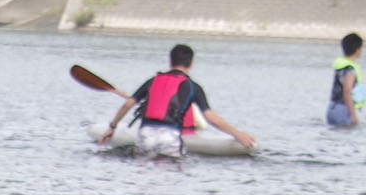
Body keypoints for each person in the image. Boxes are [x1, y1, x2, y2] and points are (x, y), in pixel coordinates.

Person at [96, 44, 257, 157]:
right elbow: (210, 117)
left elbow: (127, 104)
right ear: (191, 64)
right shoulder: (192, 86)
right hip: (169, 137)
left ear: (170, 61)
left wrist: (112, 127)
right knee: (175, 169)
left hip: (145, 135)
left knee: (145, 167)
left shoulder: (153, 81)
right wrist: (238, 134)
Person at [328, 32, 366, 129]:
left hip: (332, 108)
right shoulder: (350, 68)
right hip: (343, 109)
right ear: (357, 50)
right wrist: (353, 114)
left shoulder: (340, 65)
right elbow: (347, 91)